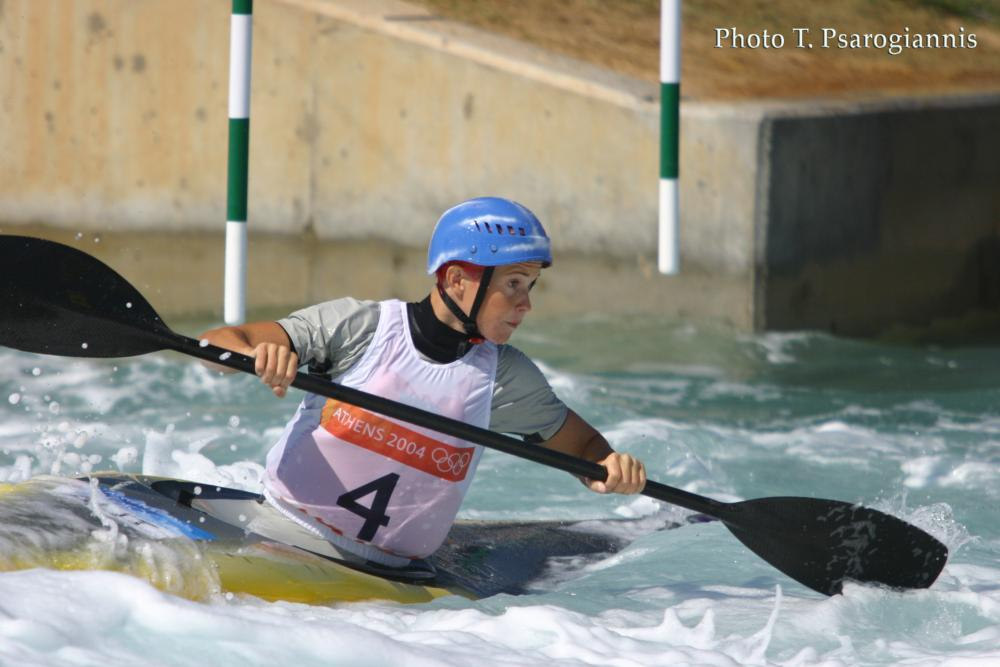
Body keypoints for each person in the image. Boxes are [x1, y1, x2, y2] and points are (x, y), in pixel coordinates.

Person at [200, 196, 646, 568]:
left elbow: (586, 450)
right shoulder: (360, 328)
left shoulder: (506, 379)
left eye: (531, 286)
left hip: (396, 574)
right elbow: (219, 343)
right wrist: (256, 355)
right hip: (284, 529)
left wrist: (607, 470)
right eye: (513, 284)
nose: (525, 304)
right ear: (456, 280)